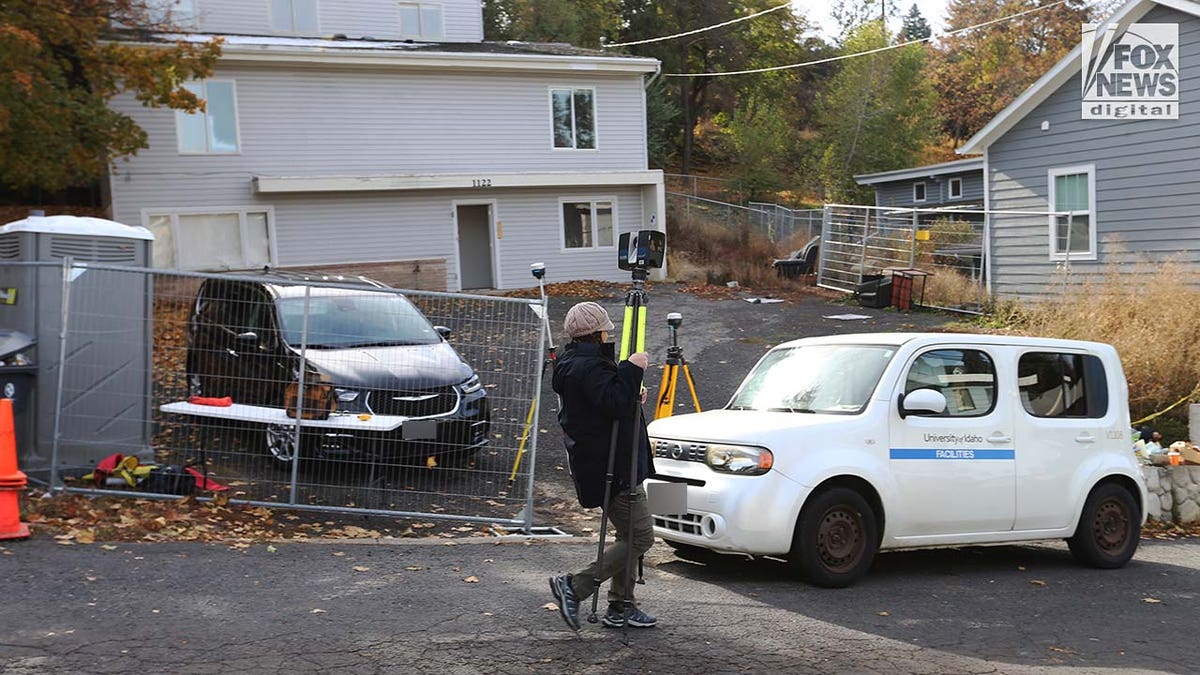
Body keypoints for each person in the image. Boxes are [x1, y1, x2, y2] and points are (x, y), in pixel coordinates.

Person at [548, 301, 657, 631]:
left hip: (607, 464)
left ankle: (621, 605)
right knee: (641, 537)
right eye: (607, 329)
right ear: (599, 333)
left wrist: (630, 392)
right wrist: (632, 368)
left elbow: (607, 406)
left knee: (629, 535)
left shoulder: (575, 363)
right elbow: (613, 402)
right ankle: (575, 586)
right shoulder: (591, 366)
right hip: (613, 468)